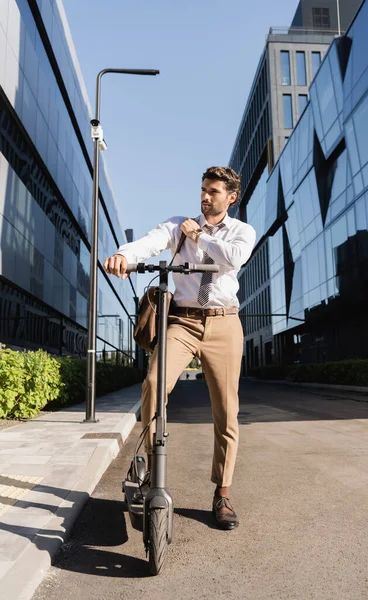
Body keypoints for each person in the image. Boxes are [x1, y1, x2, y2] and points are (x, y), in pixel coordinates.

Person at [104, 166, 256, 530]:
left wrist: (200, 237)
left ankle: (222, 492)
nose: (205, 197)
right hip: (183, 321)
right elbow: (149, 241)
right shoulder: (179, 225)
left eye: (214, 192)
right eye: (203, 190)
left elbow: (232, 259)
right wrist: (124, 254)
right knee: (154, 384)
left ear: (231, 197)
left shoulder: (241, 231)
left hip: (224, 323)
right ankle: (149, 473)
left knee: (227, 411)